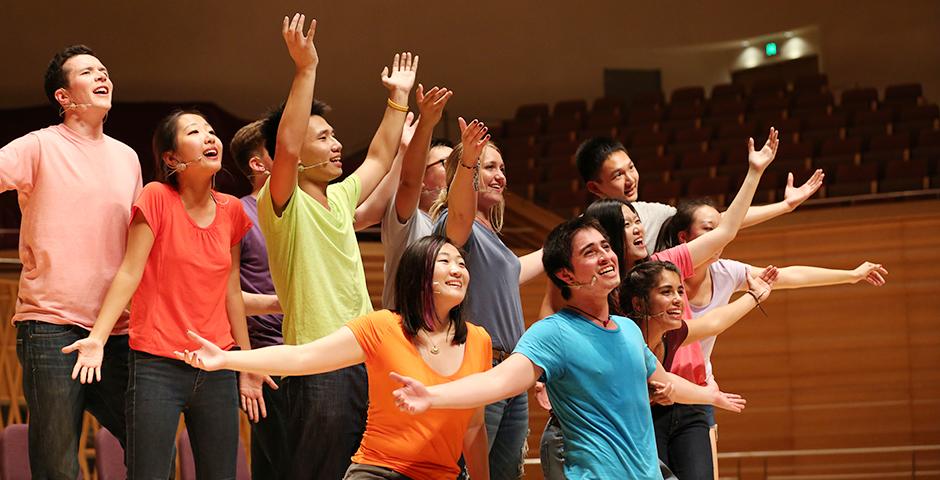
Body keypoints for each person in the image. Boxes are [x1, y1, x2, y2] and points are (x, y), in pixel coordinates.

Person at [391, 216, 747, 480]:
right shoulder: (553, 334)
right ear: (566, 275)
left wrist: (710, 396)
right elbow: (499, 381)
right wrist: (433, 397)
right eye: (590, 252)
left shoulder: (627, 330)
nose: (607, 256)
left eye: (606, 247)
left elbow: (663, 379)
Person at [537, 128, 780, 478]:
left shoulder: (654, 270)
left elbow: (722, 232)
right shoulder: (589, 292)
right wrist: (543, 376)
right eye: (626, 224)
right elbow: (551, 316)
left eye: (637, 222)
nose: (638, 229)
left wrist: (757, 174)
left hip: (640, 413)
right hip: (586, 428)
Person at [177, 235, 492, 480]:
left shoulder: (479, 341)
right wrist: (226, 359)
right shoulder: (383, 327)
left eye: (461, 264)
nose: (457, 269)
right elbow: (302, 357)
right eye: (445, 261)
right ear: (418, 275)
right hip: (379, 471)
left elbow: (474, 428)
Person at [256, 13, 418, 477]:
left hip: (364, 357)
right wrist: (305, 69)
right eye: (323, 137)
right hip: (316, 367)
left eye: (333, 135)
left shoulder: (341, 196)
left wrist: (398, 99)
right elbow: (285, 147)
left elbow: (380, 156)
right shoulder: (281, 201)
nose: (335, 144)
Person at [655, 197, 889, 477]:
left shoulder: (726, 272)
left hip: (698, 393)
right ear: (685, 237)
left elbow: (790, 276)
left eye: (723, 228)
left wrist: (851, 275)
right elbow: (702, 328)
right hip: (657, 392)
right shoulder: (661, 275)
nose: (720, 236)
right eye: (709, 229)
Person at [0, 44, 141, 479]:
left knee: (150, 448)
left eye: (104, 69)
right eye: (88, 71)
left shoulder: (127, 156)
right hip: (50, 325)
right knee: (57, 464)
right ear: (63, 96)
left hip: (115, 330)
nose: (103, 76)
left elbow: (140, 247)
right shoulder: (38, 145)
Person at [430, 118, 544, 479]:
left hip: (510, 370)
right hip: (479, 365)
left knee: (504, 474)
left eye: (502, 168)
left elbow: (511, 273)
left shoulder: (491, 235)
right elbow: (460, 210)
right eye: (489, 167)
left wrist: (561, 243)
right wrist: (467, 161)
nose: (500, 176)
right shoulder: (456, 222)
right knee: (468, 472)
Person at [353, 83, 454, 308]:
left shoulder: (460, 225)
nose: (453, 170)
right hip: (403, 333)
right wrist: (418, 135)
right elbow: (409, 182)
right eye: (444, 163)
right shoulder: (406, 217)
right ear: (423, 177)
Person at [230, 120, 290, 478]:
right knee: (285, 465)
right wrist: (247, 362)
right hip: (267, 357)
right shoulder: (239, 212)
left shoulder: (301, 208)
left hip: (306, 351)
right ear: (258, 164)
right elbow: (223, 294)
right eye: (280, 150)